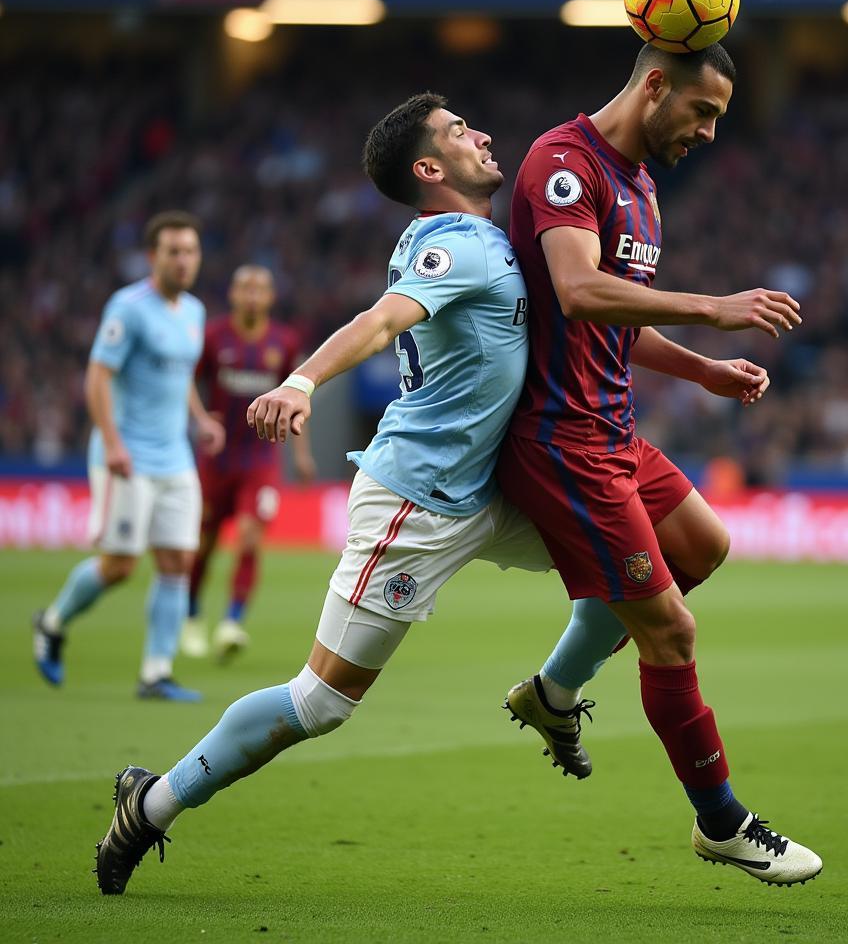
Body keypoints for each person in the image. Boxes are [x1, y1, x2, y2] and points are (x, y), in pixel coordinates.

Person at [93, 93, 556, 894]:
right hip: (419, 500)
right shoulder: (454, 243)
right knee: (319, 703)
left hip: (486, 490)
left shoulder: (480, 237)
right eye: (457, 131)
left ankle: (556, 692)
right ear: (429, 168)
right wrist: (303, 379)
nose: (480, 134)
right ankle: (152, 802)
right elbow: (381, 321)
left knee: (637, 561)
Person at [496, 41, 823, 886]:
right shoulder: (563, 164)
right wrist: (713, 310)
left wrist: (700, 368)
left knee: (704, 547)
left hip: (614, 428)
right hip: (560, 439)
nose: (710, 133)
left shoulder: (642, 190)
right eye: (703, 112)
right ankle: (722, 821)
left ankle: (553, 691)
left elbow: (618, 321)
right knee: (670, 630)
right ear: (653, 86)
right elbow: (576, 290)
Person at [32, 211, 224, 702]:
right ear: (152, 257)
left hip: (175, 456)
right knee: (119, 565)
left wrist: (200, 419)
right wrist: (113, 443)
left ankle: (156, 673)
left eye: (190, 251)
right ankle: (52, 622)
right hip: (129, 455)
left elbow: (179, 376)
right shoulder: (129, 307)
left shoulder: (195, 312)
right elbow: (97, 377)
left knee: (179, 559)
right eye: (173, 252)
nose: (184, 261)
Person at [181, 265, 316, 663]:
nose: (253, 295)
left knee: (250, 536)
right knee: (203, 544)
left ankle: (231, 623)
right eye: (245, 288)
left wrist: (302, 455)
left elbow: (296, 399)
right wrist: (202, 419)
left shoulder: (284, 342)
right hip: (216, 460)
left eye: (260, 289)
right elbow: (187, 379)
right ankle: (191, 616)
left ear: (271, 297)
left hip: (260, 458)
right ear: (233, 295)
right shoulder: (213, 337)